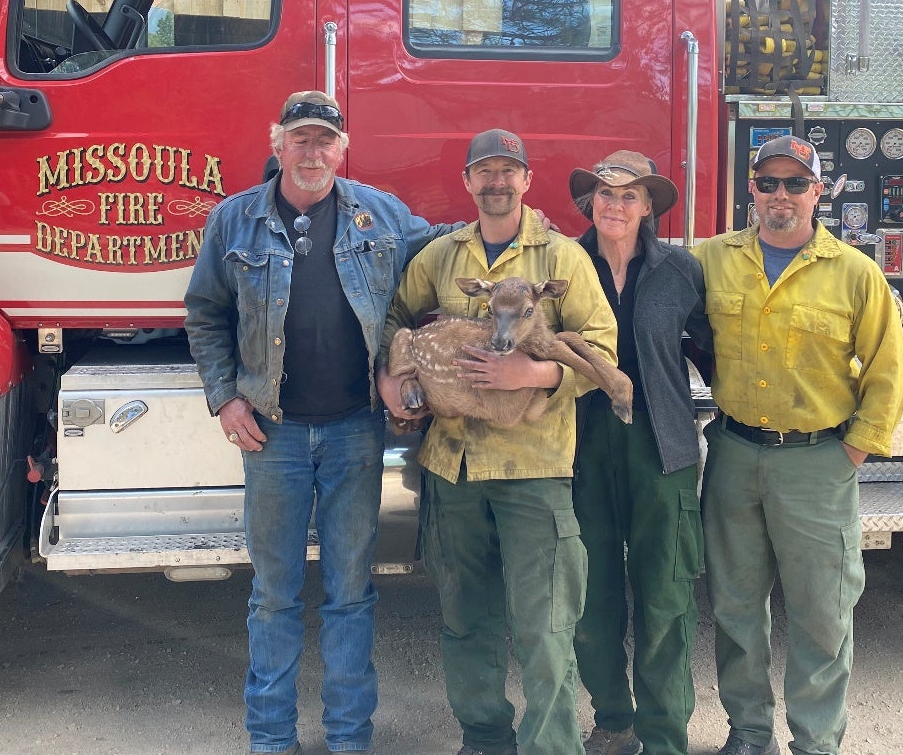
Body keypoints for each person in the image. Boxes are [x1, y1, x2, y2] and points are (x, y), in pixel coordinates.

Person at [184, 89, 455, 755]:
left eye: (324, 140)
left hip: (353, 434)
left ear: (342, 149)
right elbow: (204, 313)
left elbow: (447, 244)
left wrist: (543, 238)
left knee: (350, 594)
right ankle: (271, 738)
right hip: (270, 434)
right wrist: (226, 396)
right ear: (277, 144)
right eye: (300, 138)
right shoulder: (233, 221)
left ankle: (347, 738)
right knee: (273, 596)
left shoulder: (379, 215)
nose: (313, 151)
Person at [377, 128, 618, 755]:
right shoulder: (442, 257)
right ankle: (484, 739)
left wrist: (537, 373)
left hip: (532, 470)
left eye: (508, 172)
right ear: (467, 183)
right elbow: (396, 320)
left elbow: (603, 344)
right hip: (451, 466)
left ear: (527, 180)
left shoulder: (561, 259)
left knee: (544, 627)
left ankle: (551, 747)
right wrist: (393, 378)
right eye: (484, 172)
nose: (496, 182)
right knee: (466, 619)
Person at [692, 135, 903, 755]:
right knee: (735, 608)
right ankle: (749, 732)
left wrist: (853, 453)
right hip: (734, 454)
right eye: (768, 183)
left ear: (818, 191)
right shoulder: (712, 258)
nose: (779, 194)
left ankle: (816, 741)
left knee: (822, 613)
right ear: (752, 191)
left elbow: (889, 371)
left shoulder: (855, 273)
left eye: (794, 183)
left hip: (819, 461)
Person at [568, 151, 715, 755]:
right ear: (590, 203)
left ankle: (663, 733)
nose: (616, 205)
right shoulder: (564, 263)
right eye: (605, 193)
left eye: (630, 195)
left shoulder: (681, 269)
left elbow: (712, 347)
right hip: (578, 442)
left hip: (662, 443)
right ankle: (613, 717)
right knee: (588, 592)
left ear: (649, 206)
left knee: (664, 591)